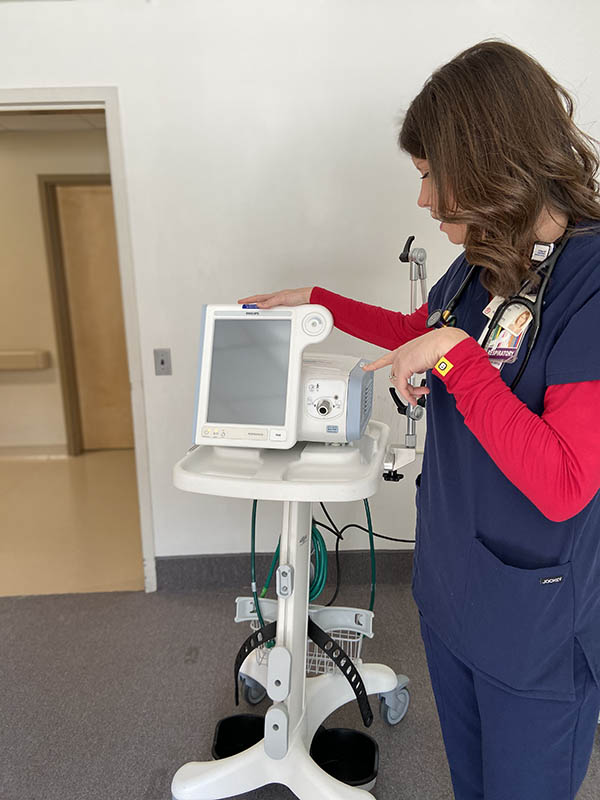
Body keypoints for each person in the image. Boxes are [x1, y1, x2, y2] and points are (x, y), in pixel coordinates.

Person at [239, 41, 600, 800]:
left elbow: (567, 483)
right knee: (471, 784)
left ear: (487, 159)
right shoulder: (487, 256)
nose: (425, 202)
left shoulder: (589, 284)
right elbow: (426, 328)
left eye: (432, 175)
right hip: (453, 592)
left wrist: (459, 362)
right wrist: (325, 303)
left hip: (533, 619)